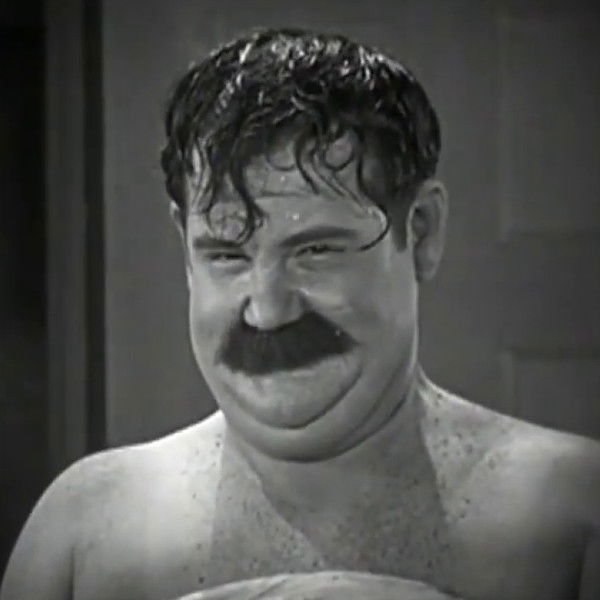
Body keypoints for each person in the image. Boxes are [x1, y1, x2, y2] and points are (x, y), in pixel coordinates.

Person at [1, 27, 599, 600]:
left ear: (420, 232)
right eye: (227, 255)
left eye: (316, 251)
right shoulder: (84, 533)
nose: (267, 311)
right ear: (185, 248)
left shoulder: (571, 517)